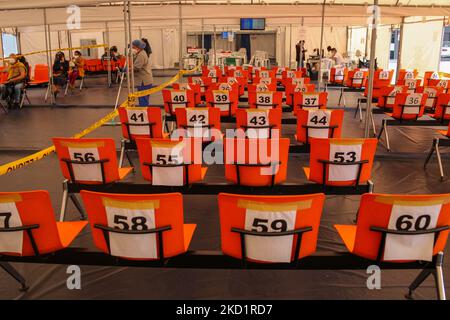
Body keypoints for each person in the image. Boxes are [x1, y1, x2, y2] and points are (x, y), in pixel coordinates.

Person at [131, 39, 153, 106]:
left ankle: (144, 113)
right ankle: (145, 113)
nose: (132, 48)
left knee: (143, 99)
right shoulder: (141, 53)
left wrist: (126, 69)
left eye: (133, 47)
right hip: (146, 80)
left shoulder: (141, 55)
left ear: (138, 47)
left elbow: (136, 67)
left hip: (144, 81)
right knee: (144, 98)